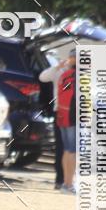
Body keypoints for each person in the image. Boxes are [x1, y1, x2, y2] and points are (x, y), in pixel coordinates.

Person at [39, 50, 77, 193]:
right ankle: (64, 182)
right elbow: (43, 77)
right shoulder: (61, 72)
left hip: (63, 112)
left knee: (67, 149)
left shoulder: (68, 74)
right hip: (66, 112)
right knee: (67, 149)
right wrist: (57, 67)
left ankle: (66, 182)